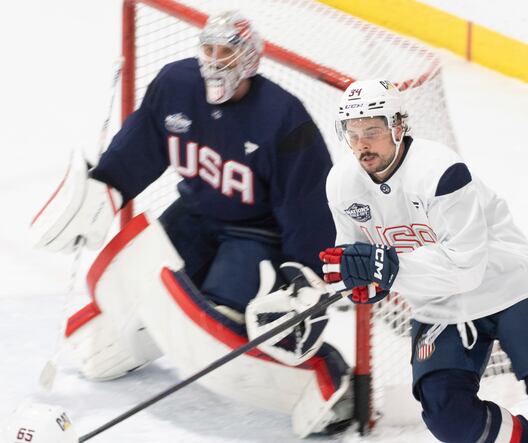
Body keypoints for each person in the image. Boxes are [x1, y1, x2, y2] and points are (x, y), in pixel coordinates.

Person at [30, 11, 352, 438]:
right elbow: (141, 143)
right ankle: (141, 335)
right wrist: (103, 190)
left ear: (250, 58)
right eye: (209, 50)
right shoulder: (176, 86)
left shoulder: (283, 119)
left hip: (257, 232)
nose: (216, 61)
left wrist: (304, 274)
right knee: (128, 286)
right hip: (195, 213)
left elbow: (307, 205)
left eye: (228, 51)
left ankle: (327, 381)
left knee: (214, 329)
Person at [320, 79, 528, 442]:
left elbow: (467, 269)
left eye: (372, 130)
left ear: (398, 127)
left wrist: (389, 269)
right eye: (352, 132)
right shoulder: (342, 183)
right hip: (441, 306)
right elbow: (357, 257)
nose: (361, 144)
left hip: (511, 287)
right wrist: (355, 279)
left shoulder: (441, 172)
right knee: (447, 412)